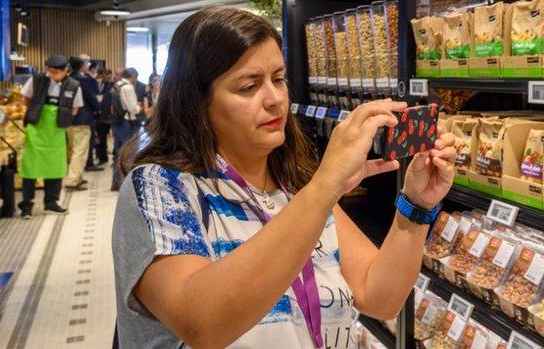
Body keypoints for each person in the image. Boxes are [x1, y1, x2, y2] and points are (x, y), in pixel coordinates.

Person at [112, 8, 456, 348]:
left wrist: (415, 205)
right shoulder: (161, 188)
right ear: (197, 102)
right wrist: (325, 185)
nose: (275, 99)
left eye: (278, 79)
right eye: (248, 87)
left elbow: (378, 295)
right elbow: (202, 324)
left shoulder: (293, 190)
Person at [19, 54, 82, 219]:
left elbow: (75, 108)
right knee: (30, 168)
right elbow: (26, 98)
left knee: (55, 167)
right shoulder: (37, 79)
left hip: (56, 132)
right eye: (49, 70)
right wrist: (36, 111)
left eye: (54, 72)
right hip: (36, 129)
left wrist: (61, 117)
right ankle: (26, 205)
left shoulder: (74, 85)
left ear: (65, 71)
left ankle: (51, 203)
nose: (50, 74)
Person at [66, 55, 102, 190]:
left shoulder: (68, 77)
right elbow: (91, 98)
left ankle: (77, 176)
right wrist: (98, 108)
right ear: (82, 65)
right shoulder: (83, 79)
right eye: (86, 62)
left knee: (73, 150)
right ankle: (73, 180)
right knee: (80, 151)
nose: (88, 65)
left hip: (68, 119)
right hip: (83, 117)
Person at [92, 68, 114, 166]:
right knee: (101, 137)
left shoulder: (112, 86)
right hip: (98, 115)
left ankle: (109, 157)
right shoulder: (97, 84)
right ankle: (101, 157)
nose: (107, 77)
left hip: (109, 116)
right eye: (105, 75)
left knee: (111, 138)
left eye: (109, 76)